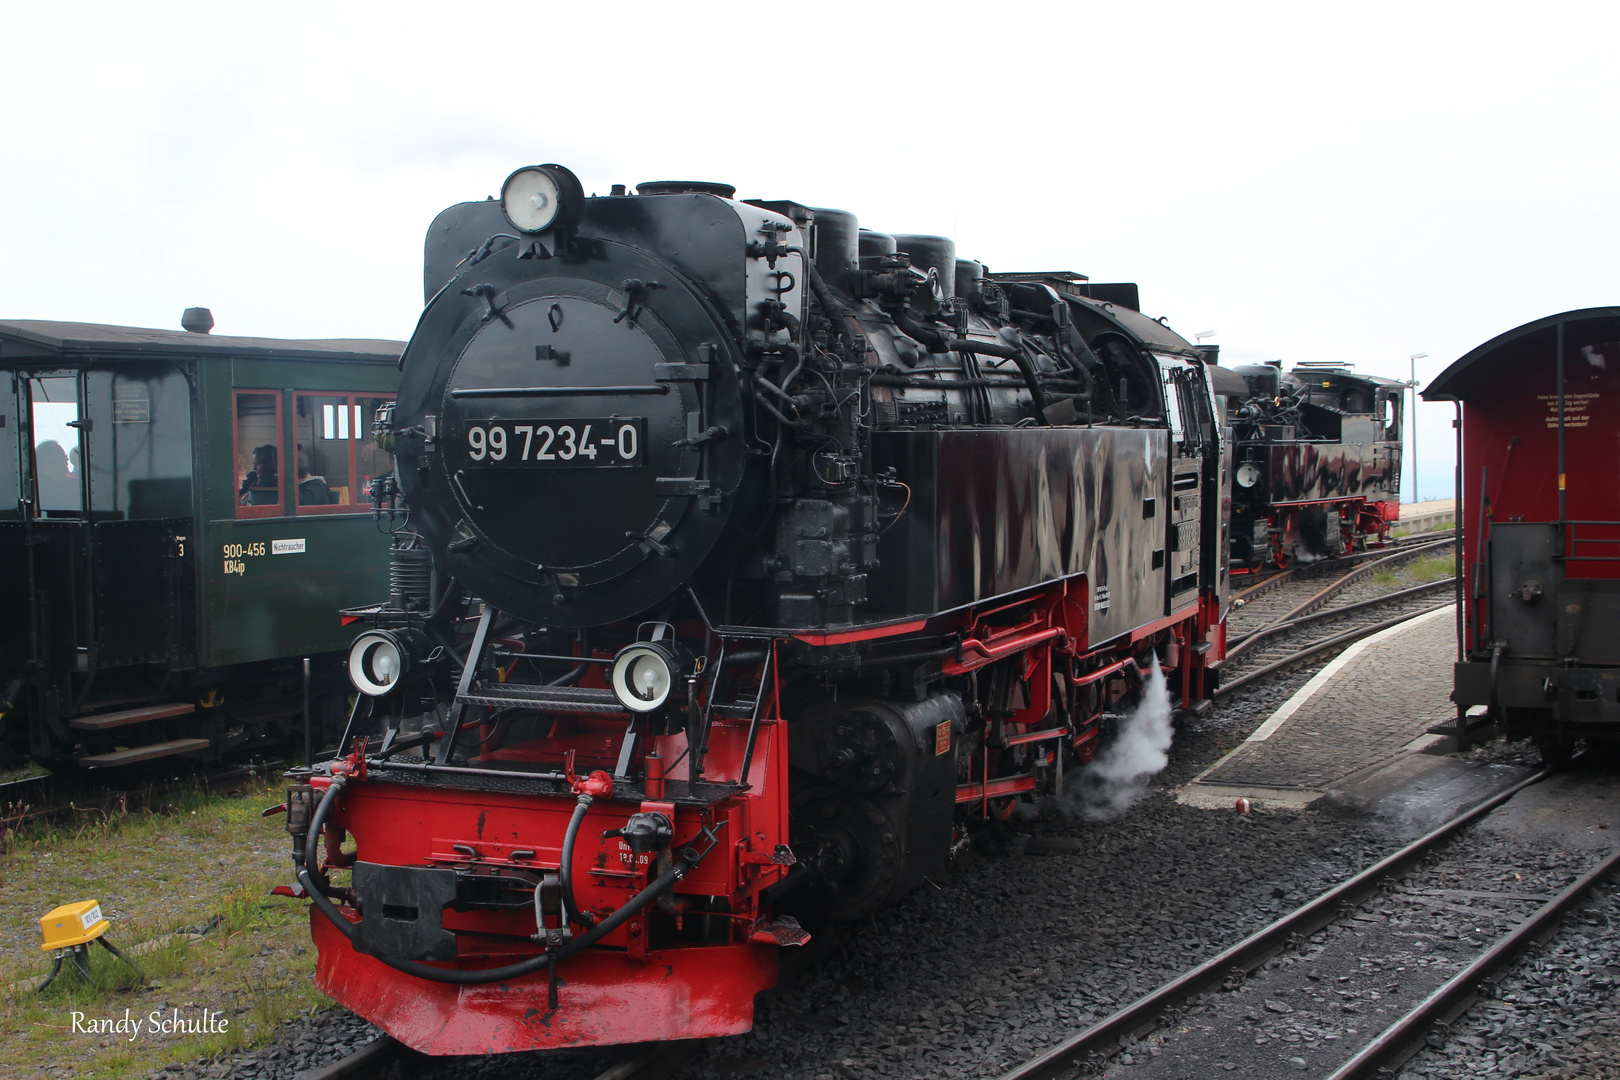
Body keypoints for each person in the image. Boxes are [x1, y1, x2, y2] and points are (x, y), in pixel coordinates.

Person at [34, 440, 79, 512]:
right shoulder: (56, 491)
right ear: (51, 461)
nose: (67, 459)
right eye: (63, 456)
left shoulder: (36, 484)